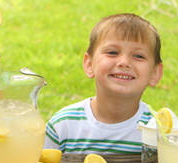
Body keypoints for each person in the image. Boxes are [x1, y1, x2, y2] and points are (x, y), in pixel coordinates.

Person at [44, 13, 163, 154]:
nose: (124, 62)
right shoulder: (63, 126)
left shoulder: (160, 130)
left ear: (155, 73)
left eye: (138, 56)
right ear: (89, 64)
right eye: (112, 52)